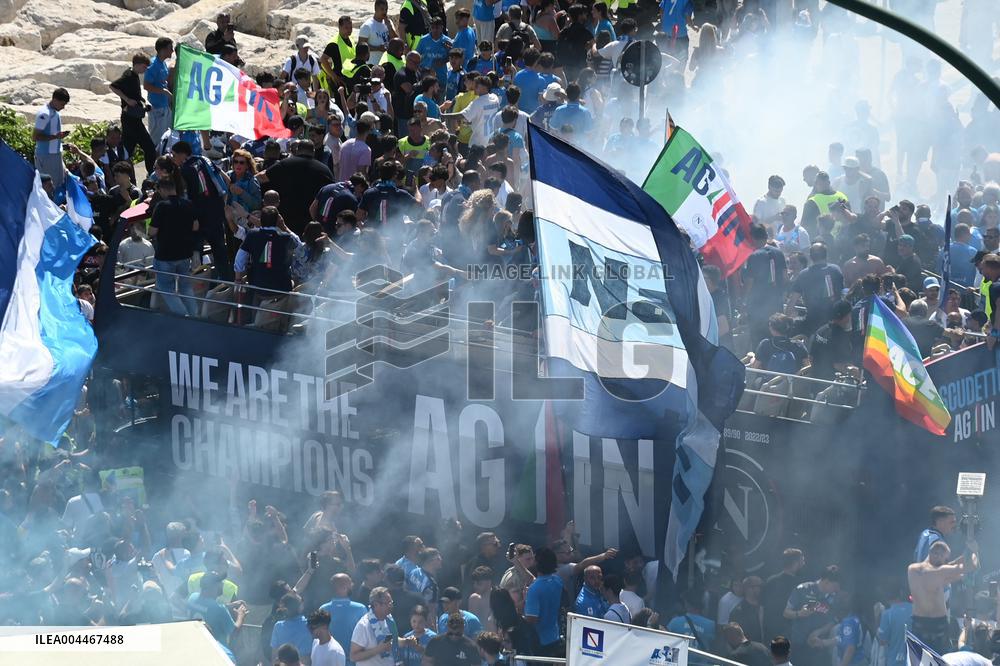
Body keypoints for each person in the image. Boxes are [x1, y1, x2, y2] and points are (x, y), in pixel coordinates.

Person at [172, 140, 233, 281]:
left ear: (182, 154)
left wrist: (193, 219)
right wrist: (221, 206)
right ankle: (226, 284)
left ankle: (199, 287)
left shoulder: (183, 171)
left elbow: (185, 198)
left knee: (196, 254)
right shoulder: (204, 160)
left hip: (198, 219)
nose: (173, 158)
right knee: (219, 251)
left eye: (174, 155)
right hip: (216, 214)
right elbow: (227, 181)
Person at [908, 540, 978, 655]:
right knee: (940, 659)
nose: (944, 561)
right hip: (937, 627)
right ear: (936, 554)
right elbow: (972, 566)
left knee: (918, 660)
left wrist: (955, 561)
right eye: (944, 558)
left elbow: (938, 570)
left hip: (918, 624)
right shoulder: (940, 572)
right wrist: (974, 551)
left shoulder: (912, 570)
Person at [259, 140, 335, 234]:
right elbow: (331, 192)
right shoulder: (324, 170)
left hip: (286, 217)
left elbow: (262, 177)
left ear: (298, 150)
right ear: (313, 151)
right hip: (310, 220)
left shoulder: (284, 164)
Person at [148, 179, 199, 317]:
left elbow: (152, 231)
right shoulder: (188, 204)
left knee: (165, 288)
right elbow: (196, 226)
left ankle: (183, 316)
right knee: (186, 287)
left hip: (165, 255)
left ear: (162, 189)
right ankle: (195, 315)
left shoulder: (161, 206)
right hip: (184, 254)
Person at [109, 53, 157, 174]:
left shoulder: (134, 75)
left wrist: (144, 101)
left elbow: (135, 94)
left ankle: (120, 173)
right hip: (130, 119)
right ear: (138, 65)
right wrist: (127, 100)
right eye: (144, 67)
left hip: (134, 118)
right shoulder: (128, 75)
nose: (145, 70)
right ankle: (150, 173)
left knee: (127, 151)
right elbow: (113, 86)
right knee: (149, 147)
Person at [784, 565, 841, 666]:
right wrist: (799, 614)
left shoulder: (834, 597)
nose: (836, 590)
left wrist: (818, 632)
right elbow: (786, 613)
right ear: (826, 582)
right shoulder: (803, 589)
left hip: (819, 646)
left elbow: (833, 621)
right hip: (798, 645)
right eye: (835, 586)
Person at [743, 223, 788, 344]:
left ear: (752, 239)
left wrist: (744, 300)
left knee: (759, 339)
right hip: (776, 302)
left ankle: (760, 361)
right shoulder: (779, 253)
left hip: (758, 305)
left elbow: (749, 283)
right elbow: (785, 277)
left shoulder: (753, 256)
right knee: (777, 334)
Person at [788, 243, 845, 336]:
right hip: (835, 320)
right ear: (826, 255)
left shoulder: (804, 274)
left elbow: (792, 301)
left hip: (812, 321)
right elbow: (842, 294)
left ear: (810, 257)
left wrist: (785, 321)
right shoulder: (836, 270)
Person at [320, 573, 368, 666]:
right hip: (353, 661)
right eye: (350, 583)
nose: (353, 585)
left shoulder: (322, 609)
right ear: (343, 587)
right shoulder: (360, 608)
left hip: (329, 660)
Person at [523, 547, 563, 657]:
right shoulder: (557, 581)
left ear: (537, 563)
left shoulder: (534, 589)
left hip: (540, 642)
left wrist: (521, 610)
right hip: (555, 637)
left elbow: (532, 619)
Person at [762, 549, 805, 640]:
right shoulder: (800, 585)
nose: (804, 564)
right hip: (790, 634)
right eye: (802, 560)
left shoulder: (771, 580)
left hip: (769, 632)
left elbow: (761, 608)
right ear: (795, 563)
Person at [350, 586, 399, 666]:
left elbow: (392, 641)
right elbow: (353, 656)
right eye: (387, 603)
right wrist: (378, 649)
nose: (391, 605)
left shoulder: (389, 620)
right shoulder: (363, 625)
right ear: (376, 605)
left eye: (391, 602)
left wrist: (407, 641)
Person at [33, 88, 70, 191]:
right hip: (47, 156)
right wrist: (55, 137)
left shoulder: (55, 112)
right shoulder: (44, 114)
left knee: (59, 184)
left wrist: (60, 141)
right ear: (55, 100)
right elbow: (35, 137)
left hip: (55, 154)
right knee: (50, 187)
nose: (63, 107)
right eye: (62, 104)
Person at [145, 37, 174, 153]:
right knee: (157, 139)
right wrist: (164, 91)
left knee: (167, 137)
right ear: (163, 49)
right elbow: (147, 85)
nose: (172, 51)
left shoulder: (163, 64)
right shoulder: (153, 65)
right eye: (170, 48)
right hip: (157, 108)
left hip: (165, 106)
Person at [877, 585, 912, 666]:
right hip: (914, 660)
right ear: (901, 593)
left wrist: (877, 619)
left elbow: (882, 641)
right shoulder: (914, 608)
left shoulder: (887, 614)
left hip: (895, 661)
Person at [730, 577, 765, 644]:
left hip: (761, 650)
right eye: (758, 586)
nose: (760, 589)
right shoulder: (739, 611)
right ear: (748, 589)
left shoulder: (763, 608)